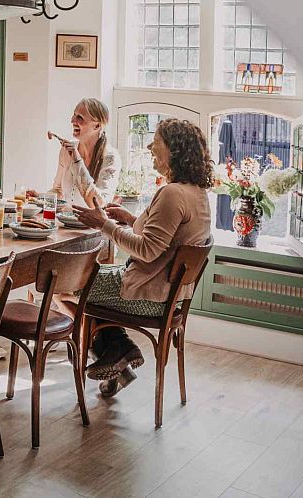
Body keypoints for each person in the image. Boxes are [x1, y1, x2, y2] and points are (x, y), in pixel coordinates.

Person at [73, 118, 213, 397]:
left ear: (174, 150)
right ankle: (118, 354)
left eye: (156, 142)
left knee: (75, 280)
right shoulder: (196, 193)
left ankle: (119, 350)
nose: (150, 146)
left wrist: (104, 225)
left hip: (146, 296)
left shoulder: (172, 193)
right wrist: (130, 219)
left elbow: (148, 250)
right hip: (169, 297)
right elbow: (167, 240)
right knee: (89, 289)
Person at [49, 98, 121, 208]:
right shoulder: (66, 150)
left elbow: (99, 204)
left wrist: (77, 161)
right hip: (64, 223)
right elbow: (58, 190)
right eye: (74, 115)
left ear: (97, 126)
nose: (72, 121)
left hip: (92, 225)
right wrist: (39, 198)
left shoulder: (111, 158)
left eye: (80, 117)